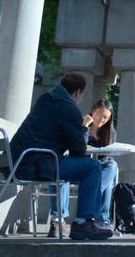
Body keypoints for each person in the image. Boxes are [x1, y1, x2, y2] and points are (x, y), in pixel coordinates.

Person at [9, 72, 113, 240]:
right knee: (92, 167)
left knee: (65, 166)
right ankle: (83, 223)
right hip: (35, 165)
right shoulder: (69, 108)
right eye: (83, 94)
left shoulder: (45, 99)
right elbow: (78, 151)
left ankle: (60, 219)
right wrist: (83, 128)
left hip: (17, 161)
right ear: (78, 92)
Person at [50, 99, 119, 231]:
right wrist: (84, 127)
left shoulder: (110, 132)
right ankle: (59, 218)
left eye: (106, 117)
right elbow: (76, 147)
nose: (102, 119)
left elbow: (108, 155)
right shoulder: (80, 125)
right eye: (100, 115)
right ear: (93, 111)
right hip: (79, 166)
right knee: (62, 172)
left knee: (112, 166)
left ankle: (100, 214)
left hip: (98, 168)